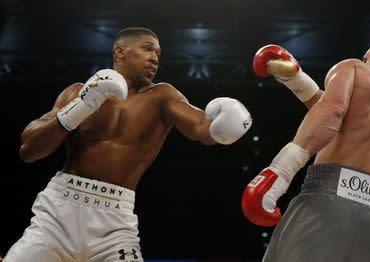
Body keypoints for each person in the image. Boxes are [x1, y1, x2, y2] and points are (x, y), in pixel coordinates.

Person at [4, 27, 252, 262]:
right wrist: (83, 105)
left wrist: (225, 124)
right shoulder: (78, 92)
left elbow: (202, 128)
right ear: (120, 52)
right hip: (56, 217)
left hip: (114, 227)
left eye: (157, 53)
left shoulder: (162, 97)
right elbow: (29, 150)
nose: (155, 58)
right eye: (147, 49)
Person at [241, 35, 370, 261]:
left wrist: (281, 171)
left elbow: (332, 114)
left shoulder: (354, 68)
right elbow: (347, 121)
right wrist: (297, 80)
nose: (364, 61)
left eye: (367, 57)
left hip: (325, 206)